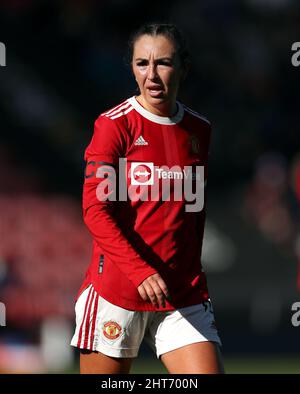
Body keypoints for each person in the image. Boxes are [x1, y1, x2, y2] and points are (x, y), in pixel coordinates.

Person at [70, 23, 224, 374]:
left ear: (183, 68)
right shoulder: (114, 126)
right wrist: (140, 272)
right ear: (132, 68)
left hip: (182, 295)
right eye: (142, 63)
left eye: (163, 63)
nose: (152, 75)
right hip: (118, 291)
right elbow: (96, 211)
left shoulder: (200, 130)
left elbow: (191, 213)